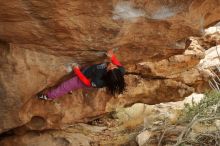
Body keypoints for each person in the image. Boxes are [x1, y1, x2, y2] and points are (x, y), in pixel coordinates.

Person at [37, 49, 126, 100]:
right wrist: (112, 57)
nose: (111, 64)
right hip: (90, 70)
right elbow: (117, 63)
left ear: (107, 75)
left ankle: (49, 96)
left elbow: (86, 82)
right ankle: (70, 88)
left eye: (110, 67)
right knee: (72, 78)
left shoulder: (99, 81)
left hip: (83, 79)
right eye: (114, 66)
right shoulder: (120, 70)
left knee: (65, 86)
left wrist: (77, 70)